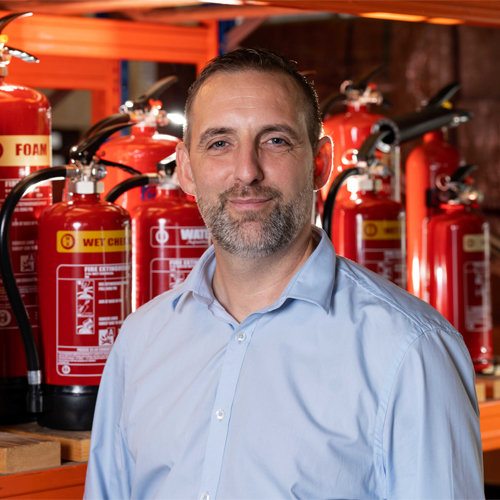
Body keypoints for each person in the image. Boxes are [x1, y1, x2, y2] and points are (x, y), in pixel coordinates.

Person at [84, 48, 484, 500]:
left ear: (319, 163)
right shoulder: (140, 343)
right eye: (220, 143)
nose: (247, 172)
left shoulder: (411, 351)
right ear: (187, 170)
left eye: (275, 140)